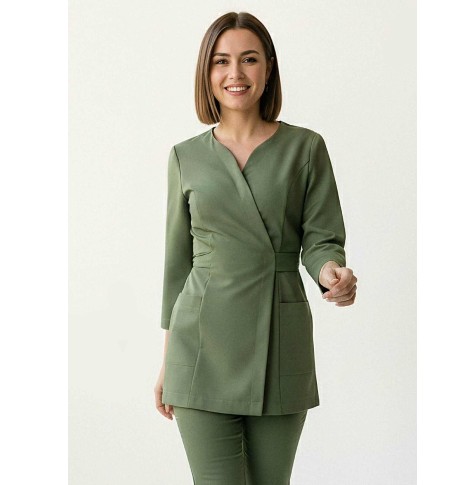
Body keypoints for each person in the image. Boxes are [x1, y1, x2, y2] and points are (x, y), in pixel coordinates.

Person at [154, 11, 358, 484]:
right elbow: (176, 266)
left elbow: (322, 239)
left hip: (279, 344)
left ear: (268, 68)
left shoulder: (305, 148)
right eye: (221, 61)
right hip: (199, 349)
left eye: (249, 59)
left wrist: (331, 271)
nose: (235, 73)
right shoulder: (185, 157)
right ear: (207, 72)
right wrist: (167, 364)